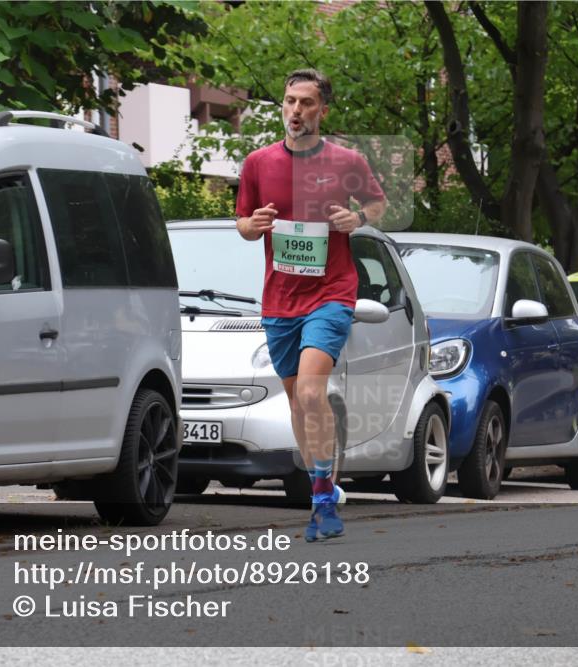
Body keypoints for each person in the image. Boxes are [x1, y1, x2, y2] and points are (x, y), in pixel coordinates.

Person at [235, 68, 387, 542]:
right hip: (279, 299)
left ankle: (322, 496)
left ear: (323, 110)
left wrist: (356, 218)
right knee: (297, 403)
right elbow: (242, 224)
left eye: (305, 102)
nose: (296, 110)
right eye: (289, 101)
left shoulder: (346, 161)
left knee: (309, 392)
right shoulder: (258, 163)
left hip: (331, 293)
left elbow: (377, 205)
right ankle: (324, 481)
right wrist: (254, 224)